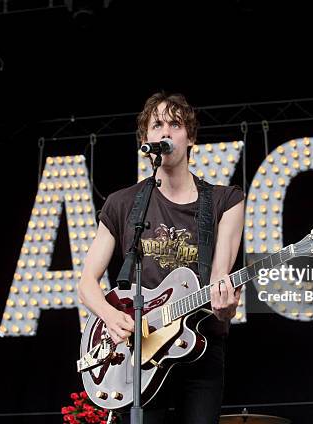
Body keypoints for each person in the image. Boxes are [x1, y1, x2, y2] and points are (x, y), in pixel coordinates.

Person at [78, 92, 245, 424]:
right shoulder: (121, 204)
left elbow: (219, 282)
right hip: (137, 350)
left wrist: (225, 309)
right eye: (157, 125)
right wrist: (110, 317)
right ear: (146, 139)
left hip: (199, 346)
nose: (165, 131)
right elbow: (86, 284)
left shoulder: (226, 201)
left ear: (191, 137)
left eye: (176, 124)